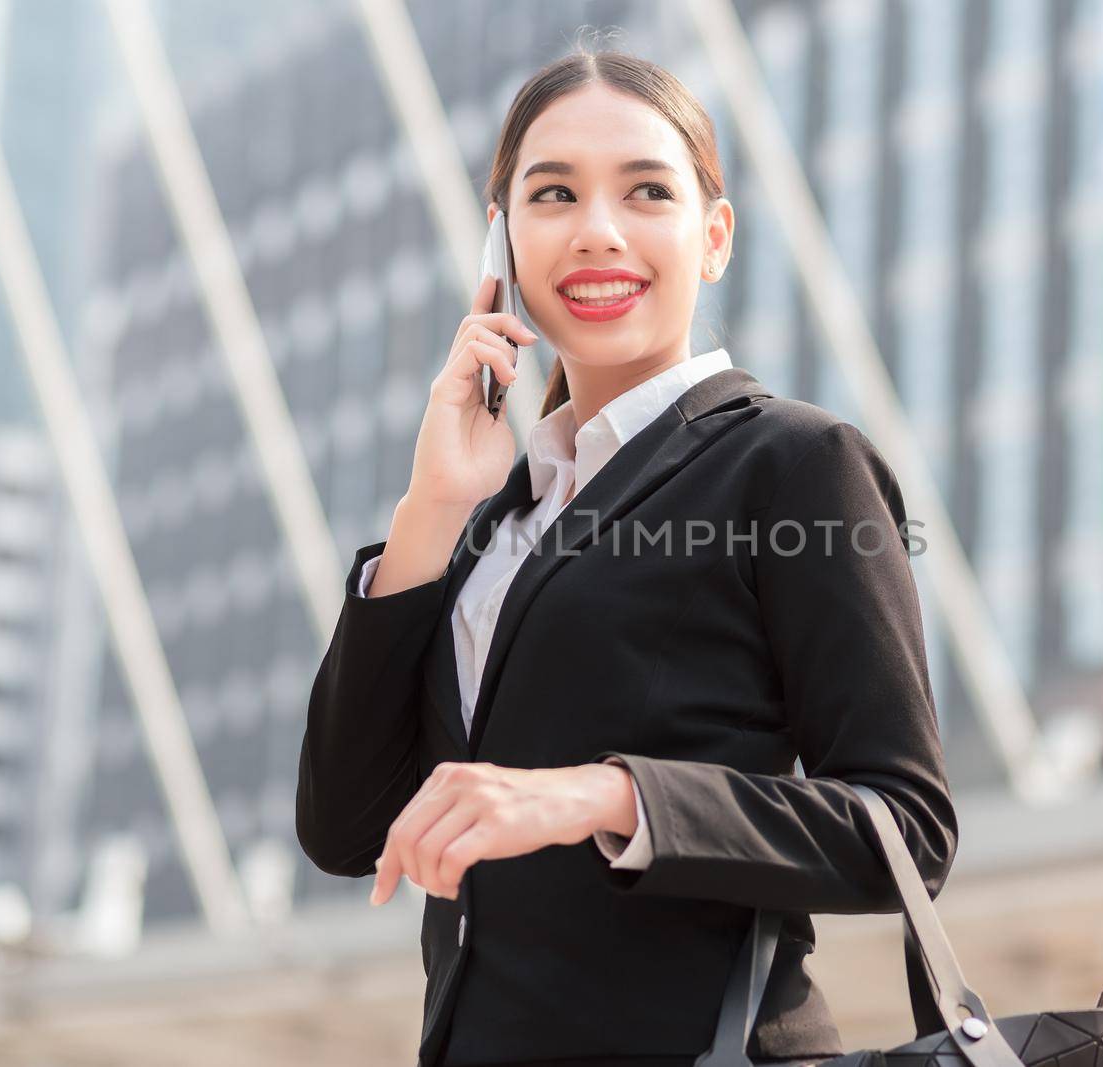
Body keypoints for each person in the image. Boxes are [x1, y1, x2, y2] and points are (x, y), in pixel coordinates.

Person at [295, 46, 957, 1067]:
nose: (598, 231)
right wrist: (431, 506)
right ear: (502, 239)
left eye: (648, 191)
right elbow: (344, 828)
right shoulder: (492, 518)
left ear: (714, 235)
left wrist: (600, 794)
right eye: (552, 193)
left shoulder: (794, 464)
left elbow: (904, 826)